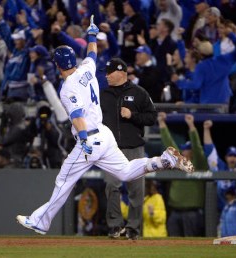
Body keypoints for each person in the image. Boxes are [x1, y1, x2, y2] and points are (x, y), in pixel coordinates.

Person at [16, 16, 194, 235]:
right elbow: (92, 53)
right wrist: (91, 34)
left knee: (64, 179)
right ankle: (164, 160)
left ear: (58, 65)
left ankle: (40, 222)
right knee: (127, 173)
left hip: (89, 136)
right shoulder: (87, 69)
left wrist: (82, 138)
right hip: (105, 134)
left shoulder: (67, 88)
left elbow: (78, 115)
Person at [100, 57, 157, 240]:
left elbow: (151, 117)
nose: (107, 75)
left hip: (134, 148)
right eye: (106, 72)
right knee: (111, 185)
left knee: (136, 190)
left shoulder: (139, 93)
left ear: (122, 72)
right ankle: (115, 226)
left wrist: (132, 115)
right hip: (111, 150)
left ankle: (133, 228)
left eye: (110, 72)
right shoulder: (103, 95)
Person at [157, 112, 208, 237]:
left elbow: (197, 146)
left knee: (191, 245)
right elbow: (169, 144)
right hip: (174, 211)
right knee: (173, 245)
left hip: (192, 212)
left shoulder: (199, 162)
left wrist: (191, 126)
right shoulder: (178, 162)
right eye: (183, 149)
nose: (184, 152)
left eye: (187, 149)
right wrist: (161, 123)